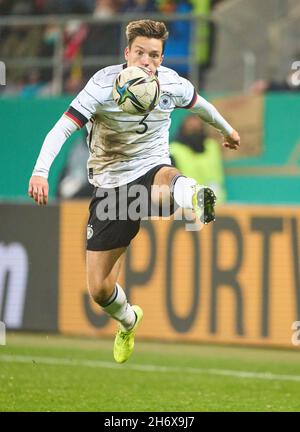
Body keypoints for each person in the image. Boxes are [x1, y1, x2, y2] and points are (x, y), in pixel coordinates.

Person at [28, 20, 240, 364]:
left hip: (150, 169)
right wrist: (41, 172)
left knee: (165, 176)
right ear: (127, 53)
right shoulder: (101, 86)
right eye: (139, 52)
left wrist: (227, 130)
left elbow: (200, 105)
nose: (146, 61)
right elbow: (62, 128)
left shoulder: (171, 83)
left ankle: (195, 197)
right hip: (110, 189)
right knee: (98, 289)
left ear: (161, 58)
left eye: (154, 55)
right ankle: (128, 320)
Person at [170, 114, 227, 203]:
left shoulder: (211, 146)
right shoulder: (174, 150)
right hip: (189, 206)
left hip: (217, 203)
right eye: (191, 128)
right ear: (183, 129)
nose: (195, 131)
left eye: (198, 128)